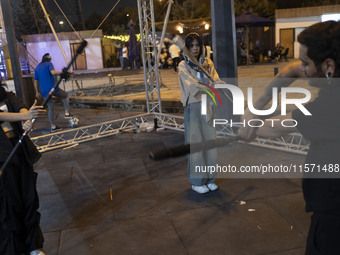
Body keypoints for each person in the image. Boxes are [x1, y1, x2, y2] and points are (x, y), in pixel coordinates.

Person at [239, 21, 340, 254]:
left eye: (307, 63)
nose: (302, 69)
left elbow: (275, 128)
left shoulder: (330, 106)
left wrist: (247, 126)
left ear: (328, 66)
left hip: (333, 216)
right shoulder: (332, 76)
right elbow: (291, 70)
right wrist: (256, 107)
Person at [0, 82, 46, 255]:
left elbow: (22, 109)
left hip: (20, 154)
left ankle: (34, 246)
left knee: (29, 200)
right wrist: (22, 118)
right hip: (3, 160)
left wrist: (28, 119)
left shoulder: (7, 96)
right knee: (9, 206)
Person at [178, 33, 222, 194]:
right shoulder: (184, 65)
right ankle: (197, 181)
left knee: (211, 142)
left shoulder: (207, 62)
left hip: (208, 104)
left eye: (198, 45)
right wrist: (209, 85)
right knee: (196, 144)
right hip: (194, 105)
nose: (195, 48)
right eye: (192, 46)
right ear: (188, 48)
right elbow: (192, 86)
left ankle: (210, 178)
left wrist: (217, 82)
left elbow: (215, 78)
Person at [34, 53, 70, 132]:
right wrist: (62, 73)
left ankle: (53, 126)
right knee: (65, 95)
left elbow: (36, 81)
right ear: (49, 59)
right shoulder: (49, 64)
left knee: (50, 107)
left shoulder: (37, 67)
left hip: (44, 91)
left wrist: (37, 92)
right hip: (52, 88)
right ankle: (67, 113)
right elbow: (53, 72)